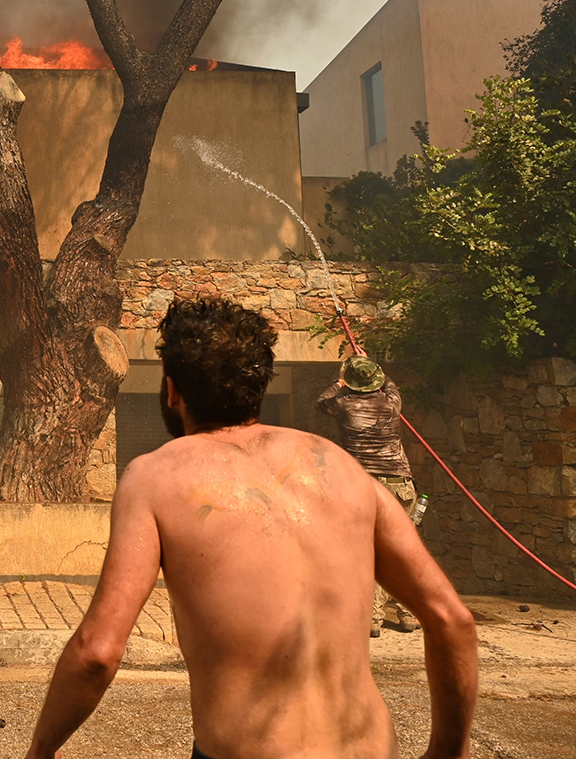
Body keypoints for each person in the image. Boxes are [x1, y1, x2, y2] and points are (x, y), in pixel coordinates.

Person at [25, 298, 477, 759]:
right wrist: (448, 753)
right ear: (259, 384)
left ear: (173, 390)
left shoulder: (155, 477)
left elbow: (97, 653)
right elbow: (452, 621)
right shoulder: (343, 470)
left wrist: (41, 750)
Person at [316, 354, 421, 636]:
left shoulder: (342, 405)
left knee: (368, 551)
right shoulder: (392, 403)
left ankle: (372, 620)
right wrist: (371, 364)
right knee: (402, 550)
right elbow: (390, 384)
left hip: (364, 485)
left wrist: (340, 380)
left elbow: (321, 401)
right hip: (400, 483)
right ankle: (407, 615)